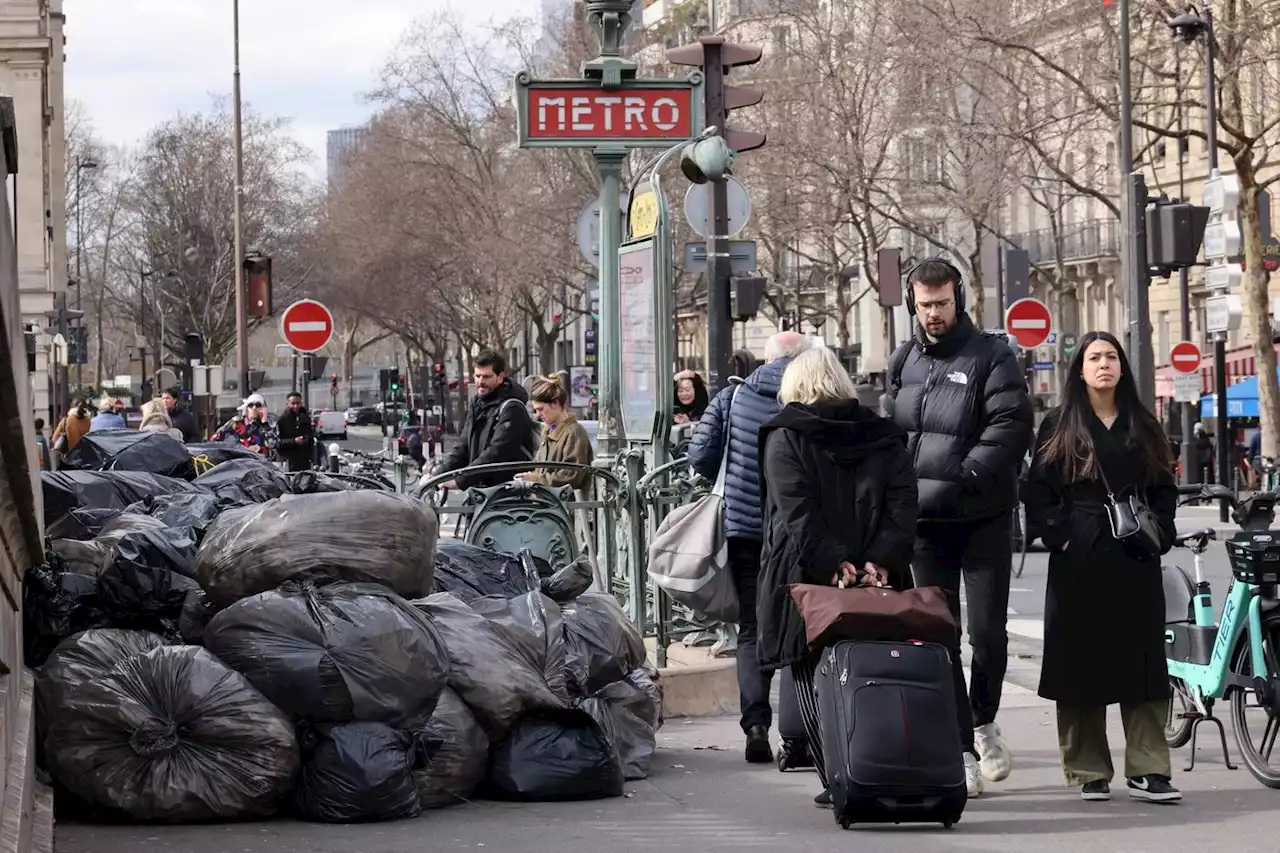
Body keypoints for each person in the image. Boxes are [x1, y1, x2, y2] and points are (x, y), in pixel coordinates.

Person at [884, 258, 1033, 795]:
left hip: (983, 519)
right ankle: (961, 748)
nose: (932, 314)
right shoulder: (903, 359)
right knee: (936, 636)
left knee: (987, 635)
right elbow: (894, 433)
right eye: (924, 305)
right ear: (912, 304)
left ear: (959, 298)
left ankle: (983, 718)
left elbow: (1012, 426)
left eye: (941, 303)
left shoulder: (994, 356)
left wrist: (965, 474)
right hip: (924, 524)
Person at [1022, 331, 1181, 804]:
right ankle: (1088, 769)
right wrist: (1063, 534)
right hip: (1080, 557)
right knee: (1079, 665)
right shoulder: (1059, 424)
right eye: (1094, 357)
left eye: (1111, 356)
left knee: (1145, 665)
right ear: (1080, 369)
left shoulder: (1143, 423)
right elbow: (1036, 491)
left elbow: (1163, 488)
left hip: (1134, 555)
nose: (1104, 364)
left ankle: (1149, 769)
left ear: (1123, 367)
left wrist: (1163, 531)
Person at [756, 347, 918, 806]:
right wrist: (879, 560)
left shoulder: (785, 435)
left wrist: (834, 562)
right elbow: (903, 503)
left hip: (808, 574)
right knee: (877, 668)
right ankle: (883, 760)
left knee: (813, 672)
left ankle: (839, 774)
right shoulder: (883, 435)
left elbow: (796, 509)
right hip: (877, 576)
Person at [686, 330, 811, 763]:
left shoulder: (732, 397)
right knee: (802, 623)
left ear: (766, 358)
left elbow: (700, 455)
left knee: (752, 629)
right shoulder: (810, 393)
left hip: (743, 528)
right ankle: (804, 732)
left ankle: (756, 723)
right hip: (795, 530)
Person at [432, 350, 538, 490]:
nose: (480, 382)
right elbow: (463, 449)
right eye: (477, 376)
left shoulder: (512, 408)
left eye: (486, 377)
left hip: (506, 495)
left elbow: (496, 453)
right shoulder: (478, 404)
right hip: (483, 493)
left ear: (500, 377)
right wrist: (437, 476)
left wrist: (460, 481)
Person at [517, 374, 594, 491]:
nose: (538, 414)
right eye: (536, 410)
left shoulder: (574, 432)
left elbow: (571, 475)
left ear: (555, 403)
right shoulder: (548, 432)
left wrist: (535, 479)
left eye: (541, 409)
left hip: (565, 505)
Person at [211, 393, 277, 455]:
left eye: (258, 405)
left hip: (262, 462)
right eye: (251, 405)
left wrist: (265, 424)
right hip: (241, 461)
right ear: (247, 408)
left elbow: (276, 444)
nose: (254, 408)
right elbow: (216, 438)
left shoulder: (270, 423)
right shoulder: (237, 422)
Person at [275, 392, 315, 472]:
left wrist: (312, 458)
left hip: (304, 461)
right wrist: (294, 441)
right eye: (293, 403)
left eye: (298, 403)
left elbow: (311, 439)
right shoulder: (282, 420)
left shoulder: (305, 417)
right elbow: (277, 443)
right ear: (287, 404)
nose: (296, 406)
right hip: (288, 462)